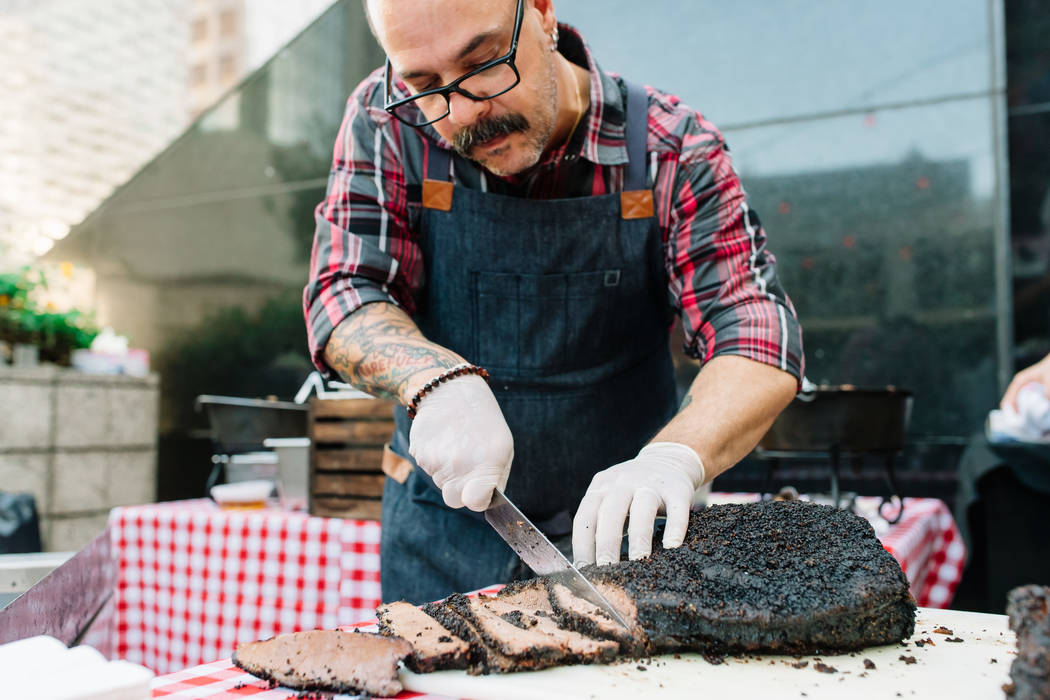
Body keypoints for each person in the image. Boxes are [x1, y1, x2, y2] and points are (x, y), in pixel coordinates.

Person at [304, 0, 803, 604]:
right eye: (425, 85)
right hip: (441, 535)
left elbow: (753, 329)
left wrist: (675, 458)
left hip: (629, 543)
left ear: (541, 12)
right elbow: (344, 291)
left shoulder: (671, 148)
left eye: (485, 62)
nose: (461, 113)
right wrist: (434, 380)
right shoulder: (390, 122)